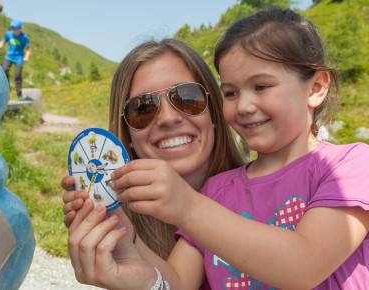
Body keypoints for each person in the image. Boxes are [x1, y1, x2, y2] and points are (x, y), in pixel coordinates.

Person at [65, 8, 369, 289]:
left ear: (316, 87)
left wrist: (186, 207)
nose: (244, 106)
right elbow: (177, 283)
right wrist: (123, 234)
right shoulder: (214, 192)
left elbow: (304, 266)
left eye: (261, 86)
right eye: (231, 93)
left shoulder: (350, 165)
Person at [61, 38, 245, 262]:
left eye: (187, 98)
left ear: (213, 110)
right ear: (127, 134)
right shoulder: (120, 232)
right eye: (143, 108)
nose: (168, 118)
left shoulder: (268, 195)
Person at [0, 19, 32, 99]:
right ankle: (7, 90)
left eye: (16, 29)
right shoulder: (8, 34)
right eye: (12, 28)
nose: (14, 30)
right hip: (9, 56)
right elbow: (3, 42)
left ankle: (19, 95)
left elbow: (28, 48)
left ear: (20, 29)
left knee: (17, 74)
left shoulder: (24, 37)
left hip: (19, 57)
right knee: (4, 70)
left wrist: (26, 56)